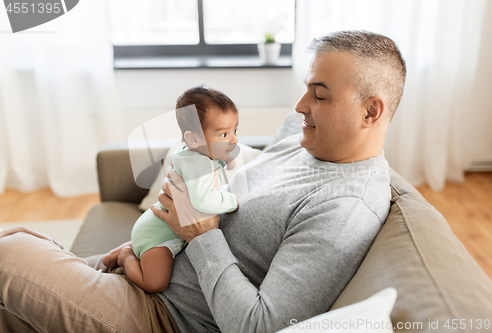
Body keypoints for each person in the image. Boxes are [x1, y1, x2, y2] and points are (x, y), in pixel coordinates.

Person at [0, 30, 406, 333]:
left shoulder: (344, 208)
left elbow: (259, 326)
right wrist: (151, 244)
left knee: (9, 255)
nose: (300, 106)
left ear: (371, 111)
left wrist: (199, 233)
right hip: (148, 267)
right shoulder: (308, 145)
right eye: (305, 91)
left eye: (319, 95)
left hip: (162, 316)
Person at [102, 86, 240, 293]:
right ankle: (126, 256)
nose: (234, 139)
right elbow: (204, 200)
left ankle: (118, 252)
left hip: (153, 226)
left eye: (234, 131)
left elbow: (206, 164)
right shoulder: (199, 164)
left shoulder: (192, 153)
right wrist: (233, 201)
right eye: (223, 134)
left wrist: (224, 159)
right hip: (158, 238)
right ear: (193, 139)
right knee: (154, 283)